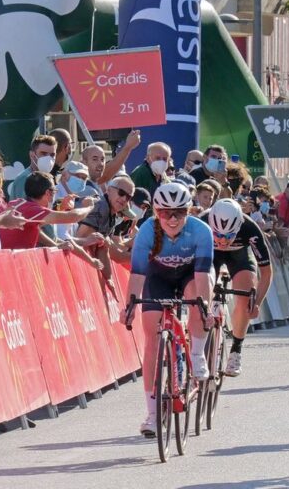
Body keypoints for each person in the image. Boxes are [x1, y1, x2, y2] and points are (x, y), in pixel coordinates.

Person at [121, 182, 214, 437]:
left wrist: (205, 309)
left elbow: (203, 275)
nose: (172, 219)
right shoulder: (147, 232)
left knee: (197, 298)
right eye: (165, 213)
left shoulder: (201, 231)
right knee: (151, 340)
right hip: (158, 278)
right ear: (156, 212)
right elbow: (138, 273)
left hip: (190, 276)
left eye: (179, 213)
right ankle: (152, 413)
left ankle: (196, 353)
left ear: (189, 211)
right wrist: (129, 305)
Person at [200, 199, 273, 377]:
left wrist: (257, 303)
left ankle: (236, 351)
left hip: (239, 256)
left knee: (245, 299)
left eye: (228, 235)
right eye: (218, 234)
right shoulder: (201, 222)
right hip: (212, 255)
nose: (223, 240)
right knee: (200, 293)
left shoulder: (250, 228)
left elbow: (267, 273)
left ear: (238, 225)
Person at [0, 172, 93, 249]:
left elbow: (35, 230)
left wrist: (55, 245)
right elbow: (72, 217)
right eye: (54, 191)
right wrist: (89, 207)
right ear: (48, 193)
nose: (54, 195)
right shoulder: (33, 210)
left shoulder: (16, 203)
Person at [76, 176, 136, 281]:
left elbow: (110, 250)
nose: (124, 199)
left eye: (128, 197)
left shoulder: (110, 212)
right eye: (121, 193)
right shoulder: (100, 207)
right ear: (108, 189)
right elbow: (81, 240)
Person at [8, 134, 57, 200]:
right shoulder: (24, 178)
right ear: (32, 154)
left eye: (52, 154)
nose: (48, 158)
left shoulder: (47, 178)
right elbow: (22, 208)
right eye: (43, 153)